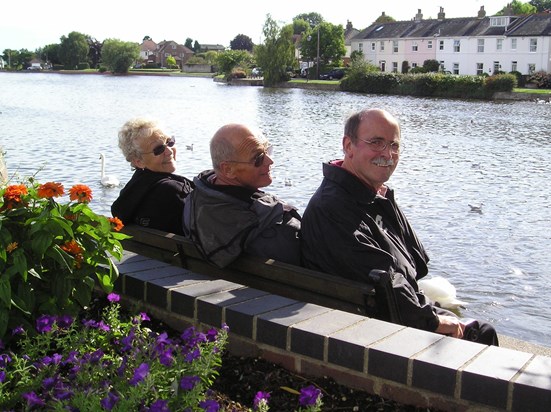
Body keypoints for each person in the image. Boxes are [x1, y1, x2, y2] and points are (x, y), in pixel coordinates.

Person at [301, 108, 498, 346]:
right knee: (482, 334)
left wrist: (387, 202)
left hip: (384, 315)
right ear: (348, 145)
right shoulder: (334, 208)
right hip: (375, 330)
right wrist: (434, 321)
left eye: (394, 145)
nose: (388, 154)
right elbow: (385, 282)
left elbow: (416, 261)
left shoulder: (365, 196)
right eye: (376, 142)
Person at [183, 123, 301, 268]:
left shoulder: (193, 201)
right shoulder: (276, 227)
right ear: (228, 169)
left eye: (267, 151)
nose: (270, 161)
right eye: (258, 158)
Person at [111, 118, 193, 235]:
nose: (169, 151)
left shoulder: (129, 193)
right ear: (138, 161)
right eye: (158, 149)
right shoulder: (175, 192)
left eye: (170, 142)